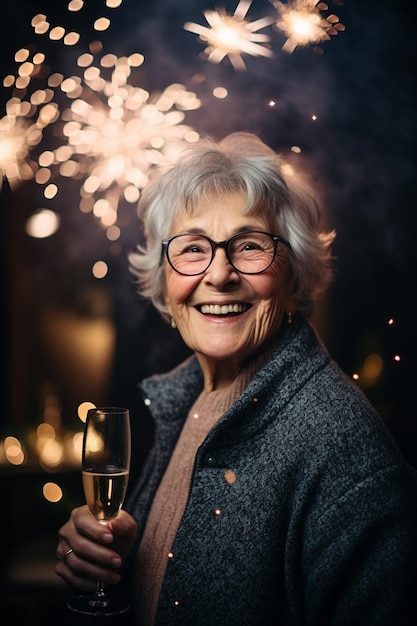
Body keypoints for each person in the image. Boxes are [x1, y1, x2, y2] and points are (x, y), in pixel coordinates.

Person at [56, 132, 417, 625]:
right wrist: (114, 564)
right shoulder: (186, 405)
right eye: (192, 248)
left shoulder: (346, 451)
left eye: (249, 245)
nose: (219, 274)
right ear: (165, 279)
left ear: (293, 273)